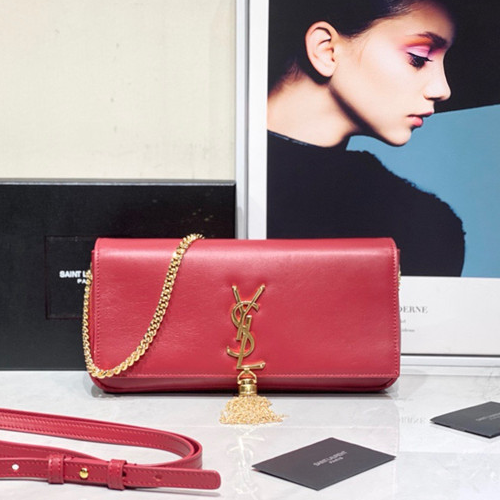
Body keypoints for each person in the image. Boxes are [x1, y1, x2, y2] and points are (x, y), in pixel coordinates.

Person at [267, 0, 465, 276]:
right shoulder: (217, 180)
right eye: (418, 58)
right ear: (326, 50)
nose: (443, 90)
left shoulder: (425, 229)